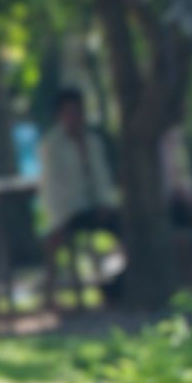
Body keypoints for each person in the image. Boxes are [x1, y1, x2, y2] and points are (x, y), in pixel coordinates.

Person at [39, 87, 123, 305]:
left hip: (97, 207)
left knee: (126, 226)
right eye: (68, 112)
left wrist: (104, 203)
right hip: (69, 212)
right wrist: (58, 221)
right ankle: (50, 297)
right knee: (55, 242)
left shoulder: (93, 141)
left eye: (77, 111)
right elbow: (52, 188)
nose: (73, 117)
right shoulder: (52, 145)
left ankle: (119, 285)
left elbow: (102, 177)